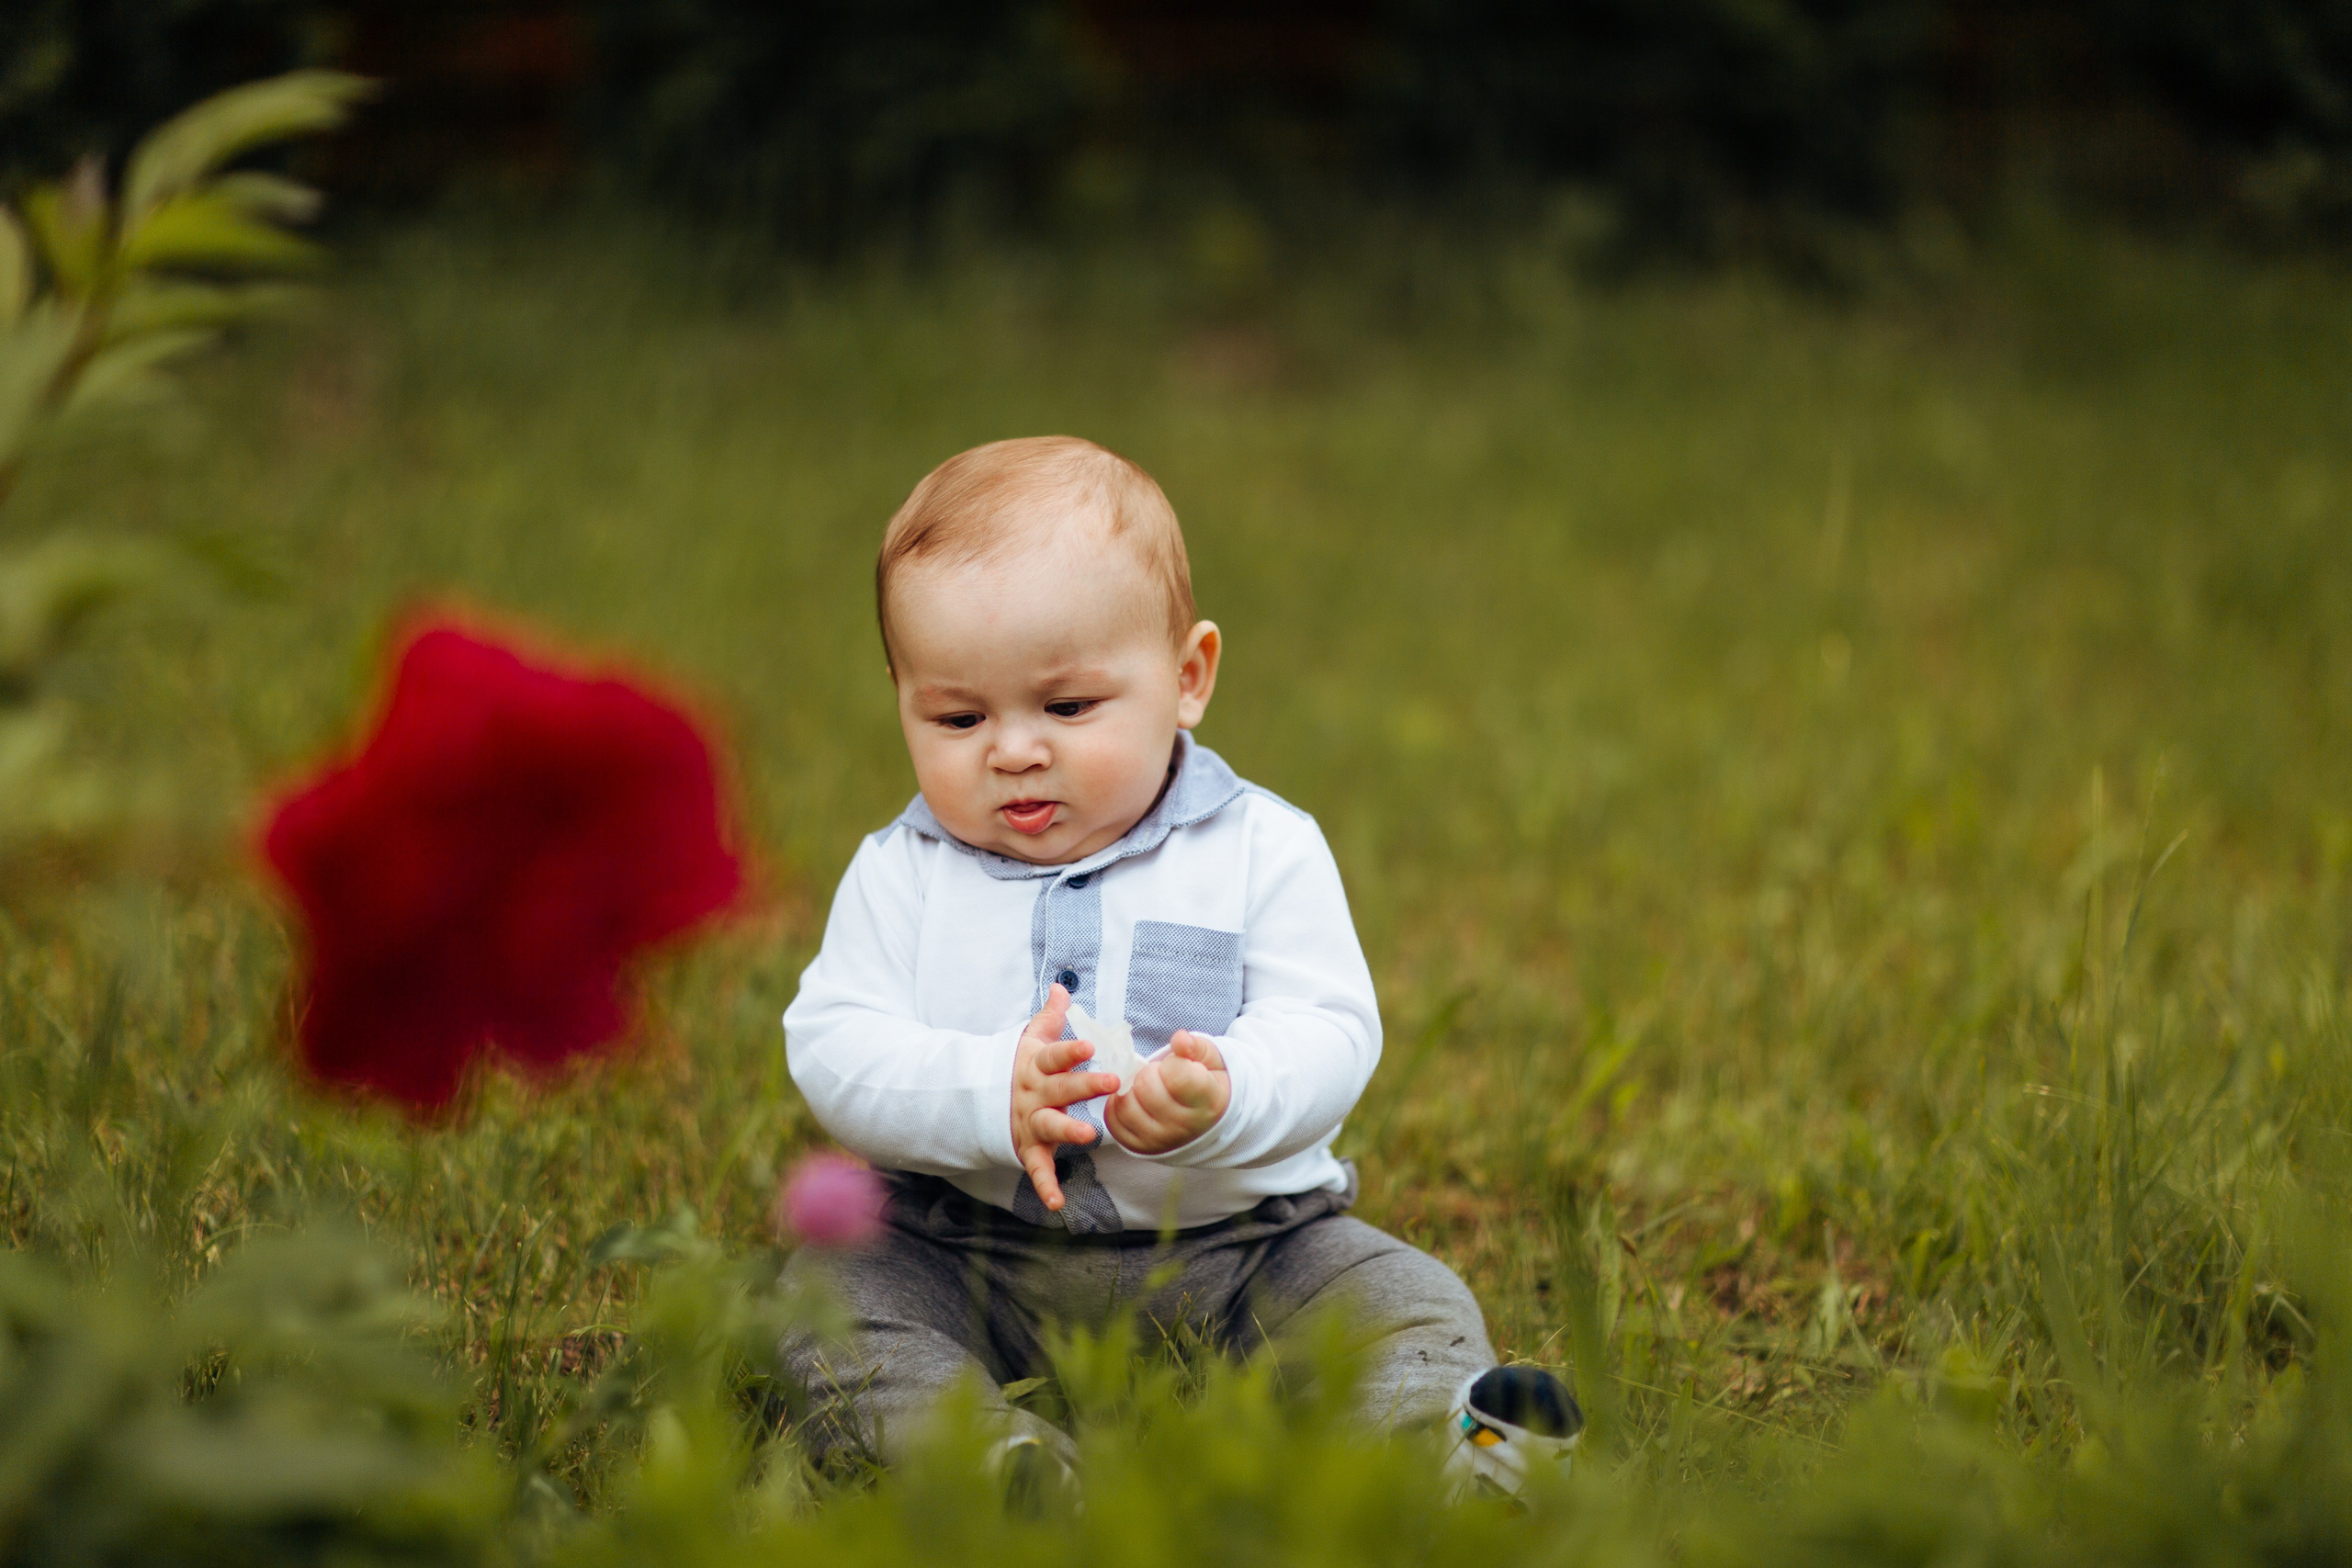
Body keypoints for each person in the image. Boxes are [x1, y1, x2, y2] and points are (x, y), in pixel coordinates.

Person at [778, 434, 1579, 1498]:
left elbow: (1332, 1027)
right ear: (902, 697)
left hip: (1244, 1248)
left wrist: (1229, 1090)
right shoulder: (903, 874)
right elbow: (833, 1043)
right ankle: (987, 1469)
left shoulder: (1259, 849)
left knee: (1398, 1295)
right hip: (966, 1252)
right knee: (824, 1300)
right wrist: (987, 1092)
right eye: (957, 716)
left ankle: (1453, 1454)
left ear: (1188, 677)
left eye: (1067, 708)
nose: (1013, 749)